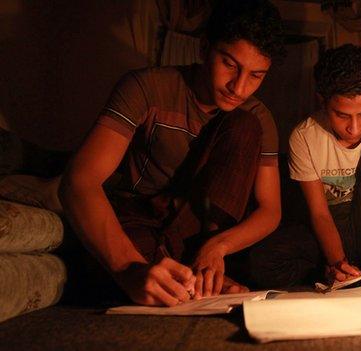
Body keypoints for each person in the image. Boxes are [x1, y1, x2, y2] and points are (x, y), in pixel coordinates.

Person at [59, 0, 285, 306]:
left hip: (200, 231)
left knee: (246, 125)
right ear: (205, 49)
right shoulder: (146, 87)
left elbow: (270, 210)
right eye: (229, 64)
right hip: (139, 215)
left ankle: (193, 273)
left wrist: (217, 247)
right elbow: (79, 181)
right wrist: (128, 270)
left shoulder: (258, 117)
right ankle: (192, 279)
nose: (239, 87)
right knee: (111, 269)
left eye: (256, 76)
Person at [250, 44, 361, 287]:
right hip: (332, 228)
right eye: (342, 115)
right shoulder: (305, 136)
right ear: (323, 101)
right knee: (259, 262)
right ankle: (342, 273)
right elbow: (319, 214)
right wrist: (338, 263)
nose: (355, 128)